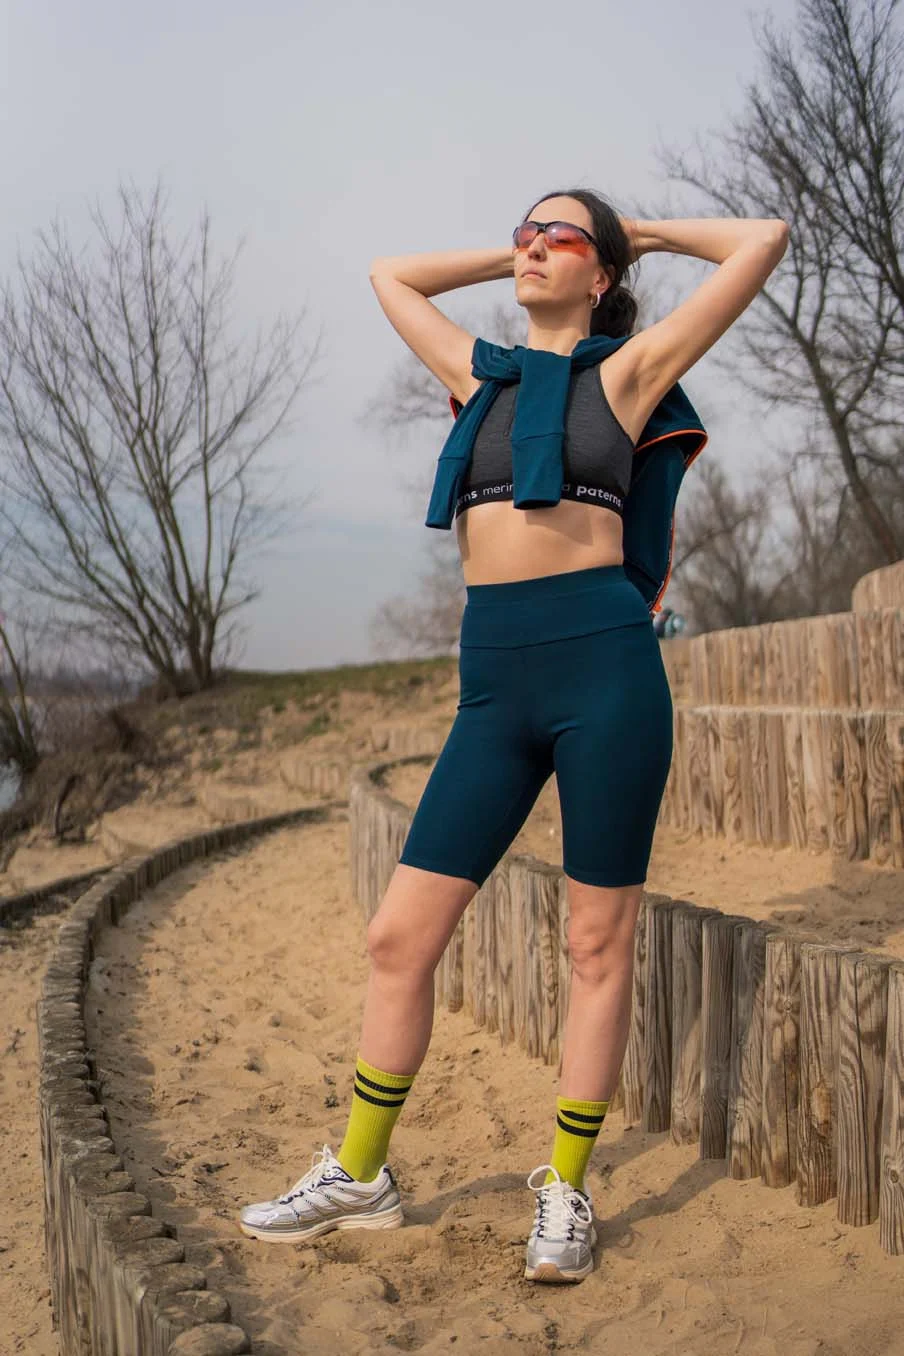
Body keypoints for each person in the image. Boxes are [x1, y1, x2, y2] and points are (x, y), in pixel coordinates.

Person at [239, 189, 788, 1282]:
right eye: (524, 232)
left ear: (603, 273)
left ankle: (567, 1189)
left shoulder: (626, 374)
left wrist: (642, 235)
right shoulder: (476, 374)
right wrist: (518, 252)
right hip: (491, 687)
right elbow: (390, 274)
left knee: (595, 944)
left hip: (605, 673)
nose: (534, 246)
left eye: (558, 237)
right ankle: (362, 1174)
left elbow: (761, 241)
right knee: (398, 937)